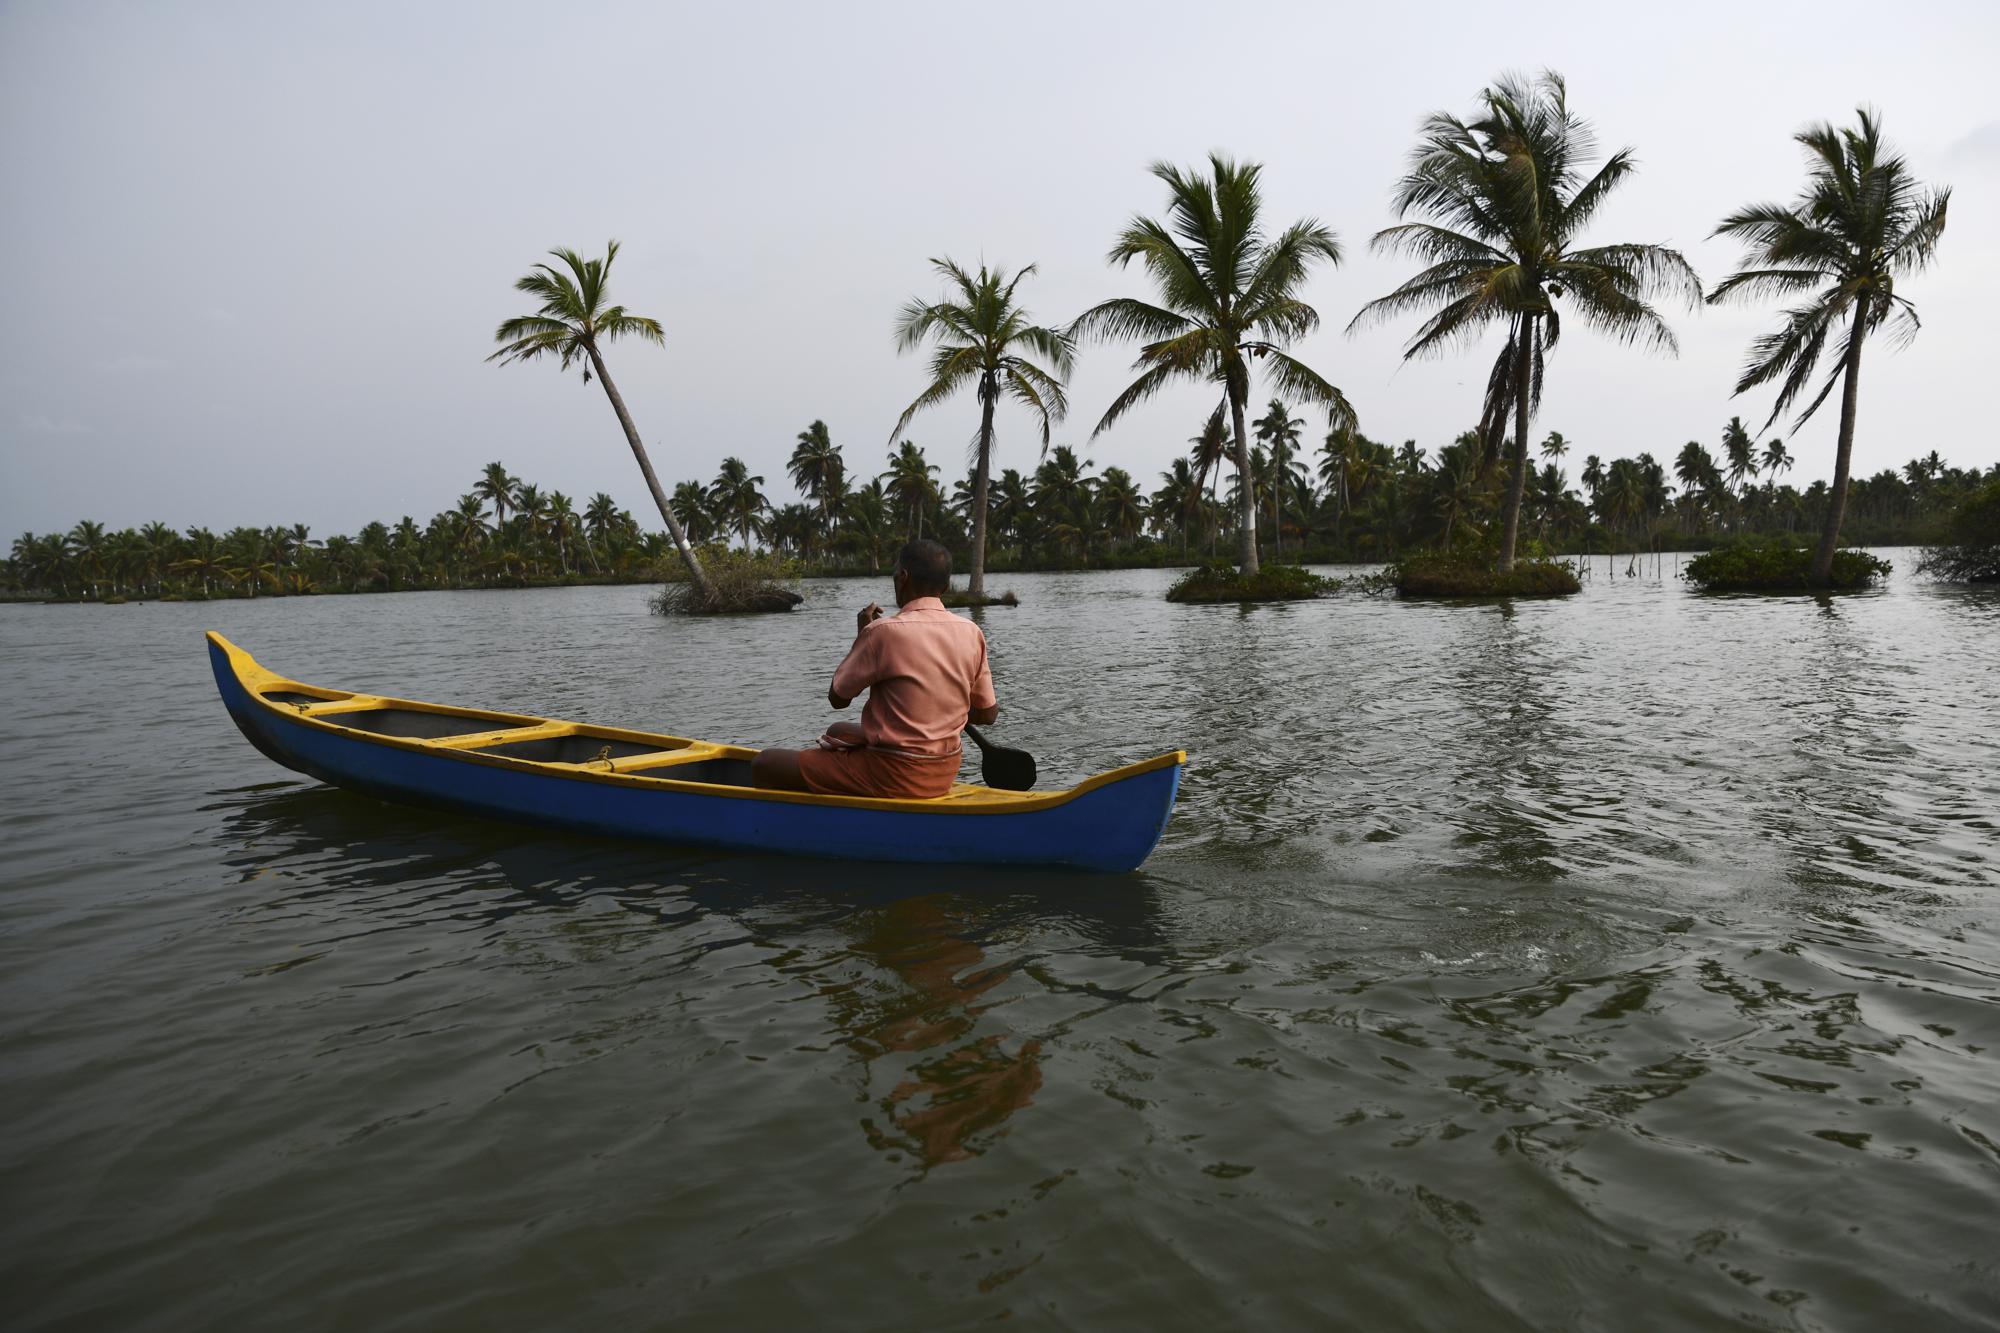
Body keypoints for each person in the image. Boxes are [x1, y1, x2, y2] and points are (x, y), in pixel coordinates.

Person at [751, 539, 997, 799]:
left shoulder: (882, 632)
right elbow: (987, 714)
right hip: (943, 771)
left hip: (894, 774)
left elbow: (838, 697)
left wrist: (864, 637)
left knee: (765, 763)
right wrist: (941, 707)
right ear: (945, 587)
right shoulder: (971, 632)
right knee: (837, 731)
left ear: (902, 577)